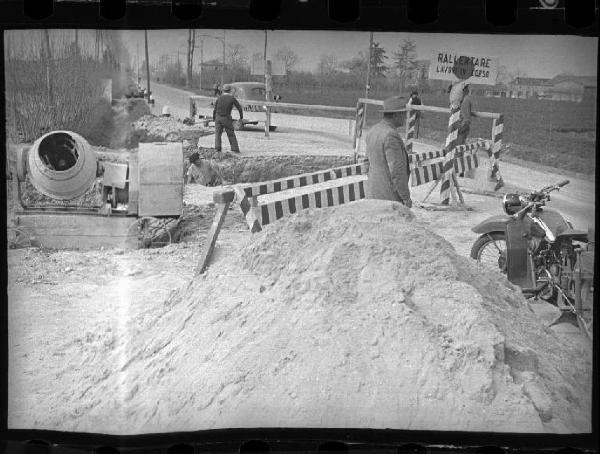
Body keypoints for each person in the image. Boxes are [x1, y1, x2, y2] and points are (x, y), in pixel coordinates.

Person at [364, 95, 412, 208]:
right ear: (396, 115)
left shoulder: (373, 130)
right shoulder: (391, 135)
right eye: (404, 114)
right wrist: (405, 197)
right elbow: (397, 171)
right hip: (389, 198)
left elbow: (366, 163)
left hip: (373, 193)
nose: (405, 117)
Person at [213, 84, 243, 153]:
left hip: (218, 118)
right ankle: (235, 149)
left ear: (223, 90)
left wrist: (214, 118)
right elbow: (239, 108)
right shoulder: (232, 98)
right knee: (231, 134)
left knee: (217, 134)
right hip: (226, 118)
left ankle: (217, 149)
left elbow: (215, 109)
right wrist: (241, 117)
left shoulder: (219, 98)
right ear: (230, 90)